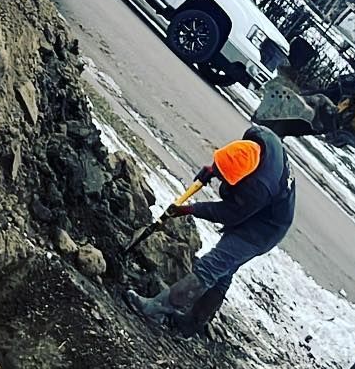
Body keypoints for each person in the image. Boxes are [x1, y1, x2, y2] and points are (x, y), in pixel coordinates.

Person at [126, 124, 296, 336]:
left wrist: (190, 209)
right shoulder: (260, 135)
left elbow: (228, 213)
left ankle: (158, 308)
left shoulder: (258, 188)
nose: (222, 182)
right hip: (264, 207)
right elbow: (235, 158)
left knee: (212, 266)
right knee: (224, 273)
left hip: (263, 229)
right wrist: (214, 169)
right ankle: (193, 323)